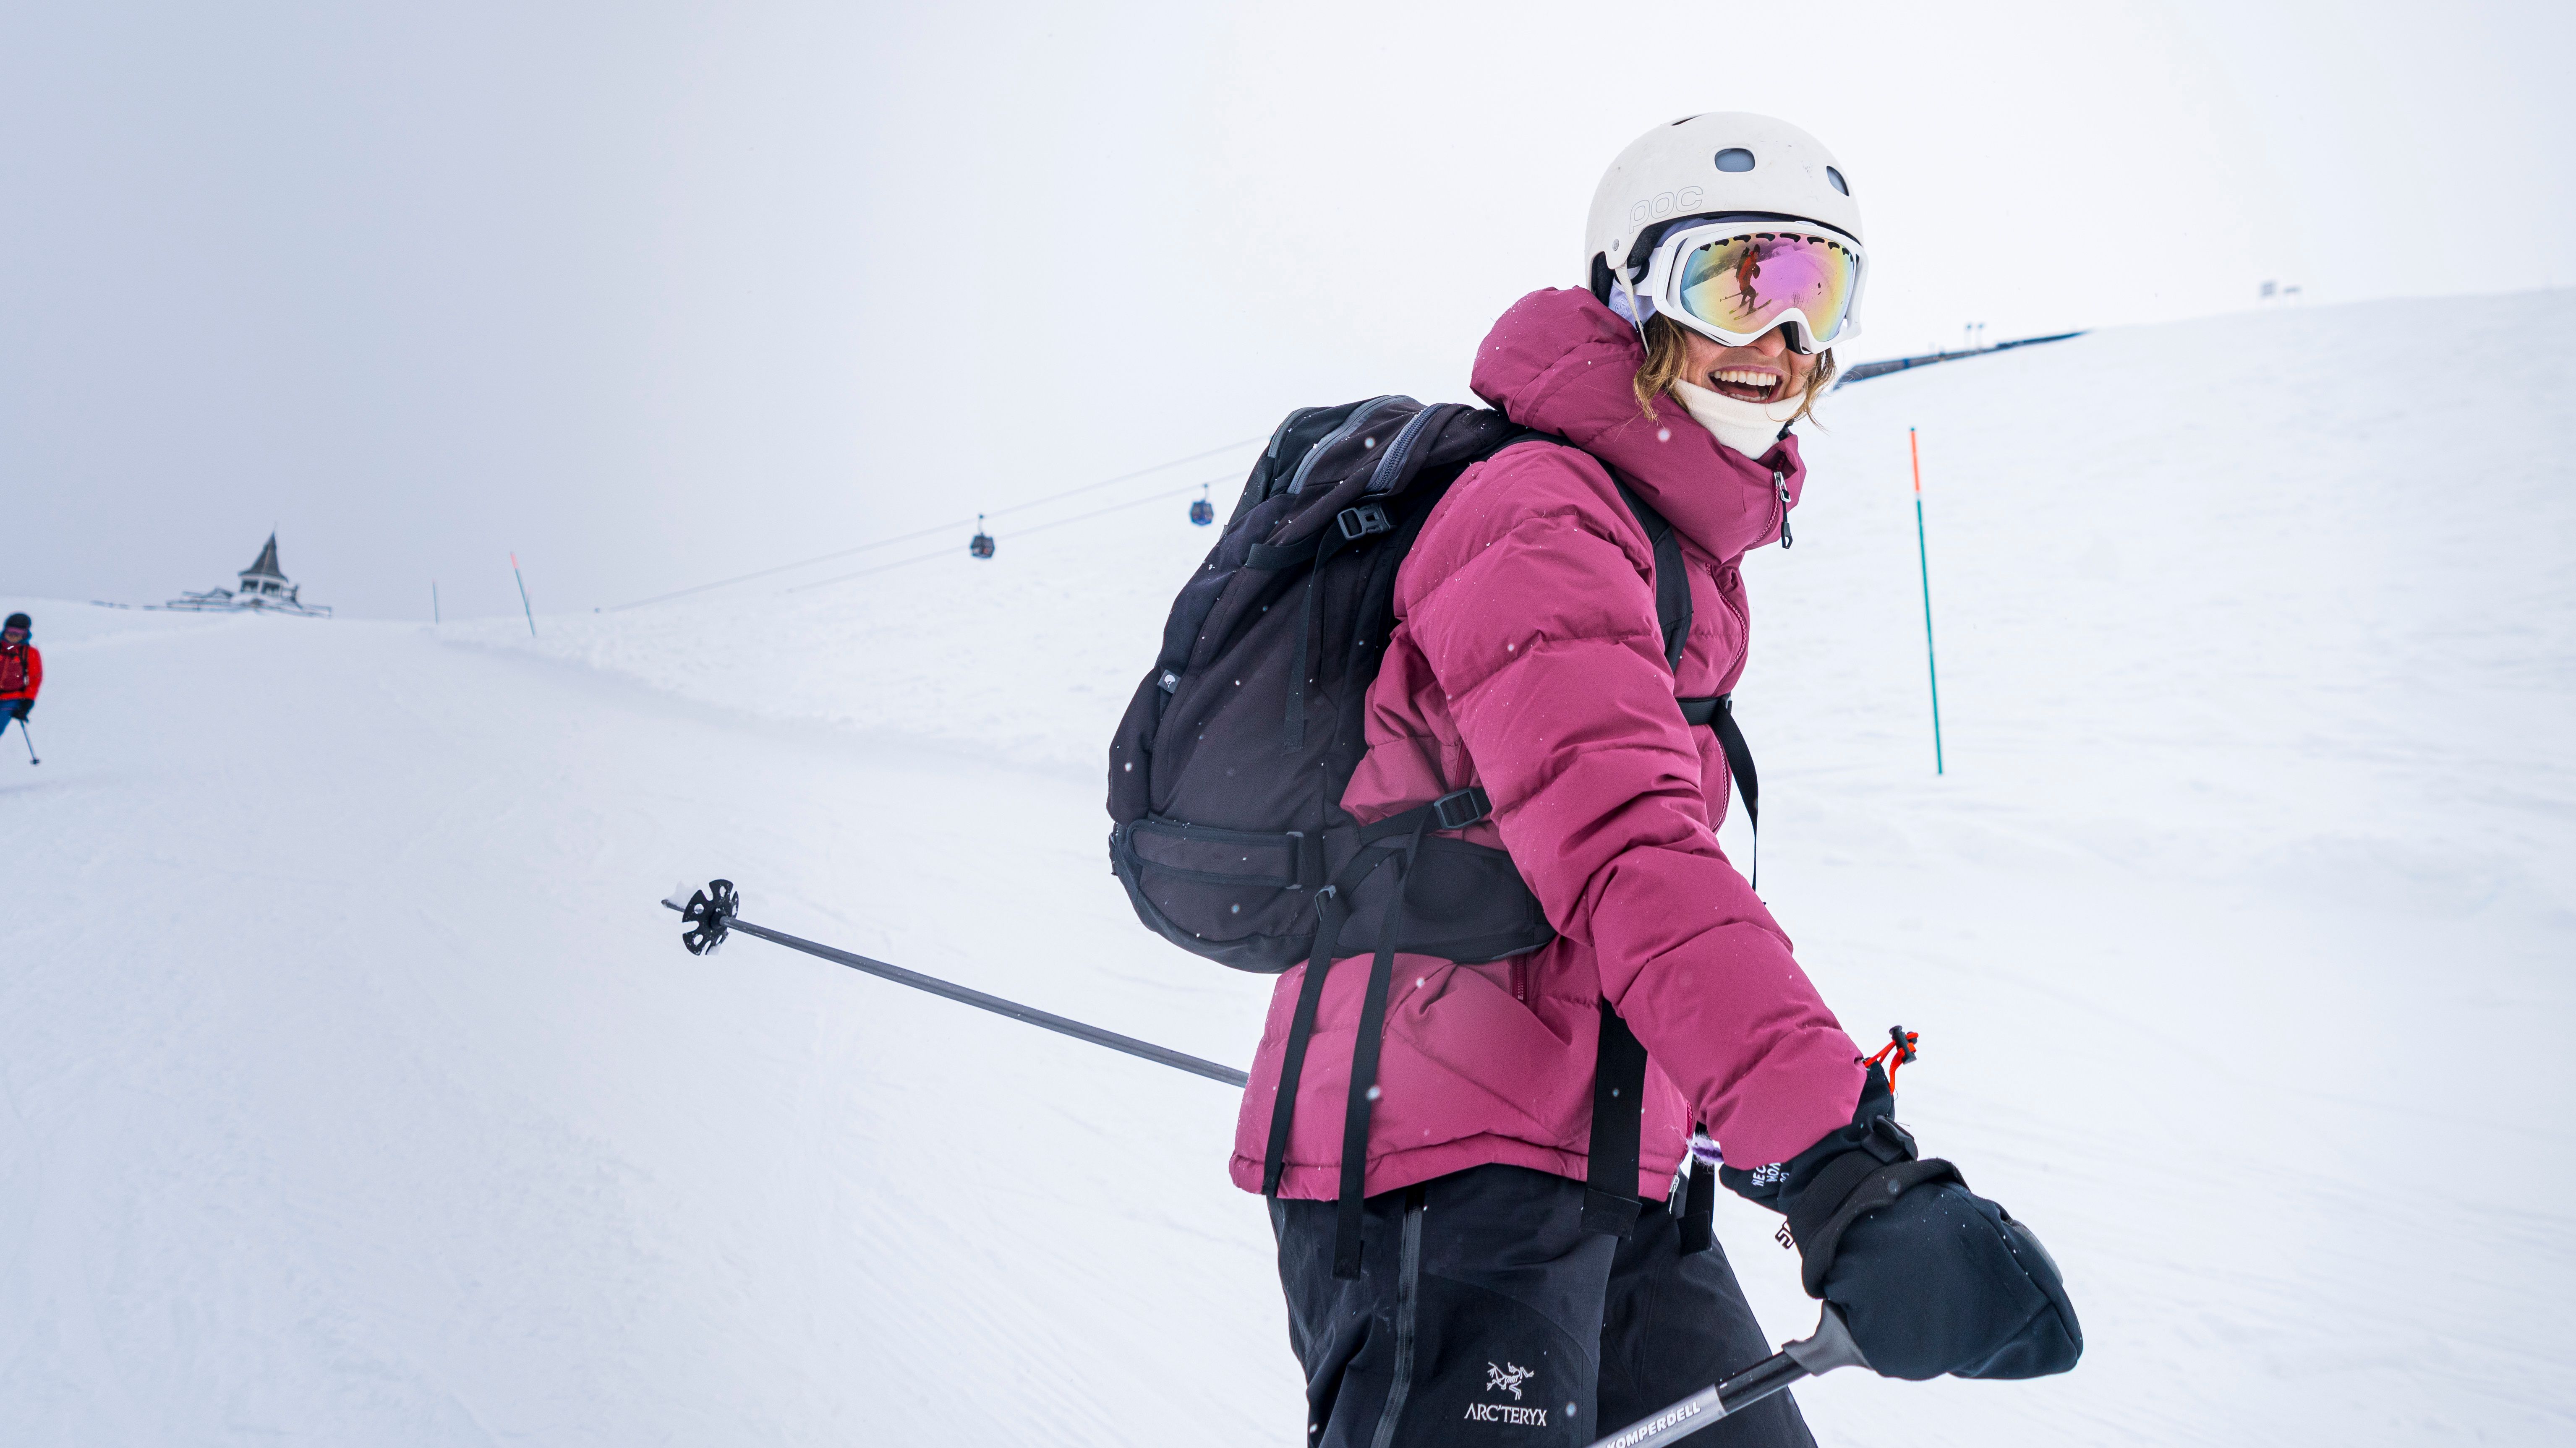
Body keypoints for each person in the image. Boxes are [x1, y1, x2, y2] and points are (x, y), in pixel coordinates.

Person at [1236, 115, 2080, 1447]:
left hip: (1616, 1169)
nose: (1779, 340)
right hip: (1450, 1176)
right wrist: (1840, 1162)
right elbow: (1627, 850)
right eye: (1737, 282)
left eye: (1819, 294)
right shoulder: (1536, 515)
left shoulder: (1662, 545)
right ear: (1633, 298)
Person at [1, 613, 38, 730]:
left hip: (11, 699)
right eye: (10, 630)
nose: (13, 635)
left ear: (25, 634)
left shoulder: (30, 653)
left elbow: (35, 679)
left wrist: (27, 703)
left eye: (18, 633)